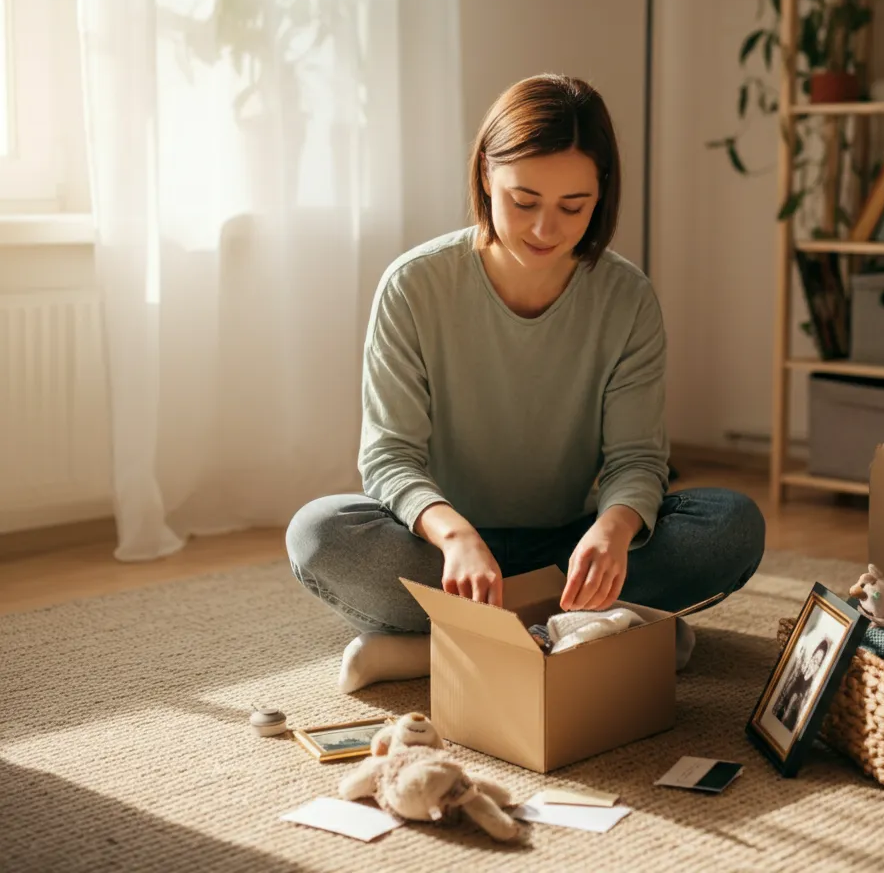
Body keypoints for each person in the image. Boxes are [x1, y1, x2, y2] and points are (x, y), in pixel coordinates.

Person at [286, 74, 765, 693]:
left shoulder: (626, 297)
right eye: (524, 200)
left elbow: (637, 458)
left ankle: (429, 649)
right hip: (446, 552)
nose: (545, 229)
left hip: (567, 550)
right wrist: (455, 535)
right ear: (486, 174)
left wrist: (614, 530)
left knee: (731, 523)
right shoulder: (414, 286)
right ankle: (599, 635)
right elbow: (389, 457)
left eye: (574, 206)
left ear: (602, 195)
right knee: (321, 532)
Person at [773, 636, 832, 732]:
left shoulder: (810, 690)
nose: (813, 662)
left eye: (817, 662)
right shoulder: (797, 674)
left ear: (819, 667)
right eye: (814, 657)